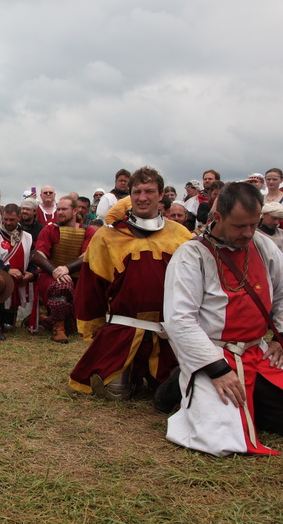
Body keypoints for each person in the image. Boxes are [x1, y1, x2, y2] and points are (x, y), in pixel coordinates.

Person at [161, 182, 283, 456]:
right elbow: (180, 319)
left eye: (253, 225)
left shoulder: (262, 244)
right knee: (221, 437)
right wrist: (217, 370)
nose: (247, 233)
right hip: (215, 355)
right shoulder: (191, 255)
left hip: (257, 353)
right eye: (239, 226)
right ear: (218, 217)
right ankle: (180, 384)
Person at [69, 167, 192, 400]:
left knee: (176, 391)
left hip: (168, 335)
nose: (142, 198)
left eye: (149, 191)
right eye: (137, 192)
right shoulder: (108, 236)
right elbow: (92, 285)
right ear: (130, 195)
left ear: (161, 194)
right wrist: (93, 327)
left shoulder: (181, 236)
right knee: (116, 392)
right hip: (122, 331)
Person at [31, 197, 96, 343]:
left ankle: (46, 320)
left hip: (77, 277)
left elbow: (88, 255)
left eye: (64, 209)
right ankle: (58, 329)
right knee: (62, 284)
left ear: (74, 211)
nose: (60, 212)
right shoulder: (50, 229)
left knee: (72, 327)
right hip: (52, 277)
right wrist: (55, 271)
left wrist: (67, 268)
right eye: (58, 209)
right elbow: (38, 254)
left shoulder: (88, 231)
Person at [0, 203, 35, 340]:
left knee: (8, 325)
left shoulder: (28, 237)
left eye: (12, 220)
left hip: (19, 282)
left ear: (19, 218)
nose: (8, 223)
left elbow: (33, 258)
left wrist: (32, 273)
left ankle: (3, 320)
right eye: (6, 219)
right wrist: (6, 269)